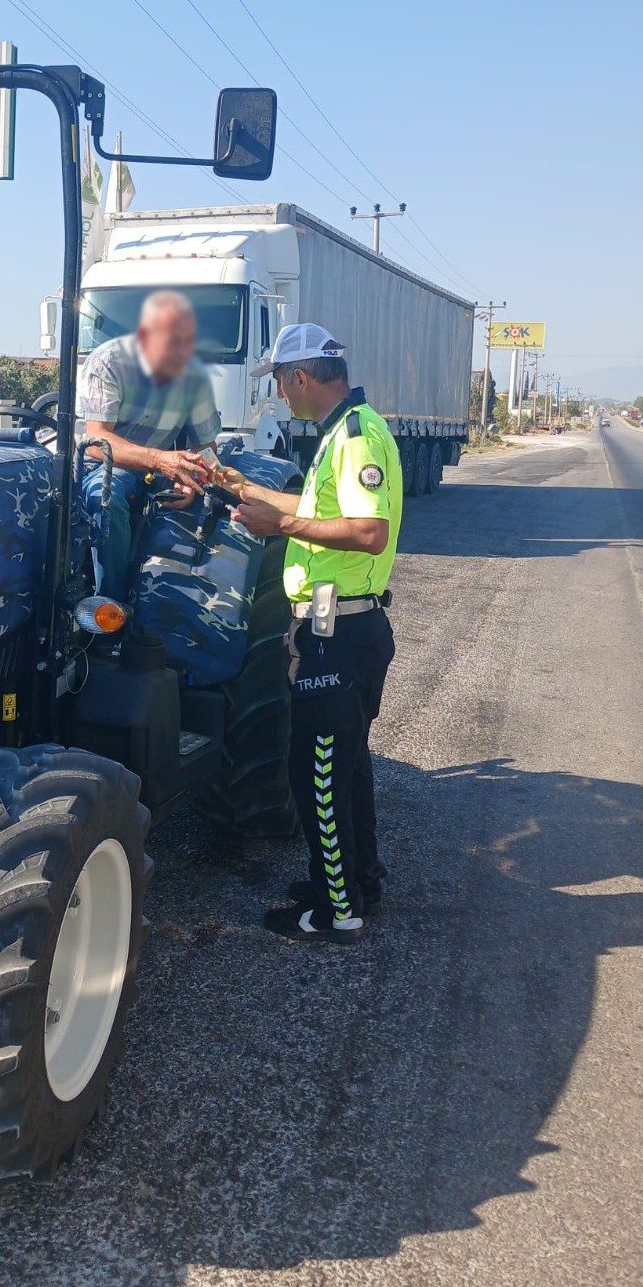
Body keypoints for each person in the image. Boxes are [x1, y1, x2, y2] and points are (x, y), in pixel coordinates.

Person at [216, 322, 402, 945]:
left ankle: (335, 912)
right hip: (342, 623)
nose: (279, 395)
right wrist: (229, 483)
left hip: (336, 630)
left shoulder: (354, 438)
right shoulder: (345, 431)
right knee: (346, 766)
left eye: (278, 382)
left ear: (300, 377)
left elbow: (366, 532)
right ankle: (354, 882)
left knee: (317, 768)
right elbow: (317, 511)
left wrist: (279, 527)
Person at [77, 290, 219, 600]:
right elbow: (96, 442)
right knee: (108, 497)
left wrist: (195, 479)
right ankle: (110, 605)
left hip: (158, 467)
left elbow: (207, 446)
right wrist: (160, 460)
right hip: (105, 465)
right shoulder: (108, 362)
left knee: (216, 502)